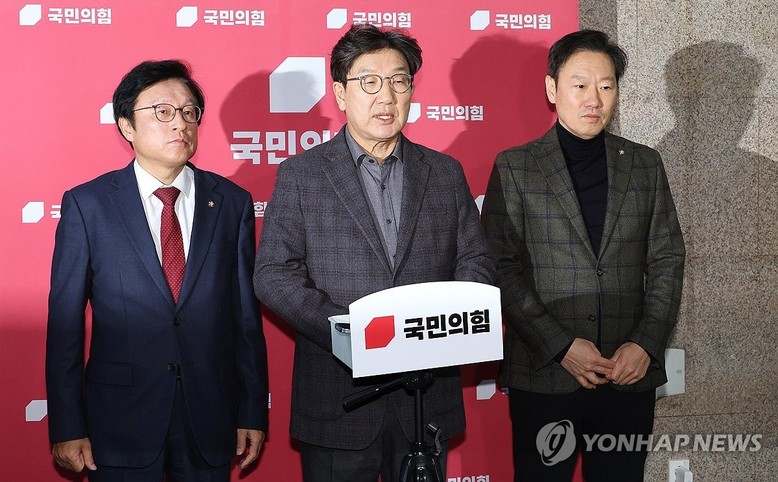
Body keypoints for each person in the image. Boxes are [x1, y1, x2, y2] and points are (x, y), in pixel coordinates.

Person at [254, 24, 495, 481]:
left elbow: (476, 261)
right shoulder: (302, 175)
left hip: (426, 398)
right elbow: (274, 274)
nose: (386, 96)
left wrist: (440, 324)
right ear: (341, 93)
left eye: (399, 81)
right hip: (339, 397)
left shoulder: (444, 172)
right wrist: (352, 334)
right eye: (369, 81)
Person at [45, 59, 269, 482]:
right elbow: (65, 327)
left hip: (211, 416)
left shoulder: (232, 202)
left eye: (189, 112)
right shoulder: (88, 205)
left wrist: (252, 410)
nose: (179, 123)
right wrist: (67, 424)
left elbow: (245, 319)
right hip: (119, 420)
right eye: (162, 112)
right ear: (126, 125)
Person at [481, 30, 685, 481]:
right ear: (552, 89)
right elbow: (500, 266)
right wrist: (560, 346)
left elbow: (667, 259)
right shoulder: (515, 166)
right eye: (580, 85)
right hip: (546, 374)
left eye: (606, 86)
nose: (594, 99)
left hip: (627, 374)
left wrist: (645, 343)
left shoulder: (645, 164)